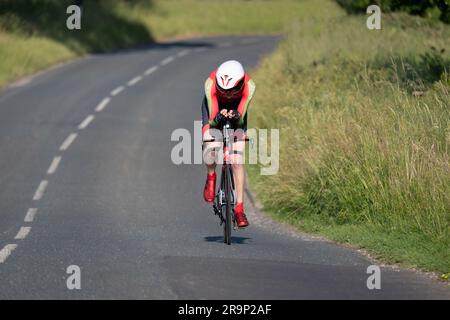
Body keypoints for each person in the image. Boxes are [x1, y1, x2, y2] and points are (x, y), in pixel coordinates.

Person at [201, 60, 256, 228]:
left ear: (240, 85)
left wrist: (236, 116)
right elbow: (212, 119)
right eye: (223, 89)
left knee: (237, 160)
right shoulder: (210, 84)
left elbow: (241, 119)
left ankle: (239, 208)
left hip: (237, 110)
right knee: (210, 146)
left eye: (231, 90)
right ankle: (211, 176)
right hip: (214, 108)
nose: (227, 93)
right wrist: (217, 118)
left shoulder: (250, 86)